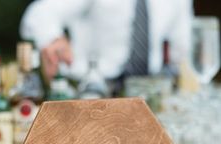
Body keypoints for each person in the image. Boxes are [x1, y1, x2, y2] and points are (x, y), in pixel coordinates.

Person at [20, 0, 193, 82]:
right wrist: (53, 39)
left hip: (149, 89)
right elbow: (39, 13)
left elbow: (183, 48)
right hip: (94, 89)